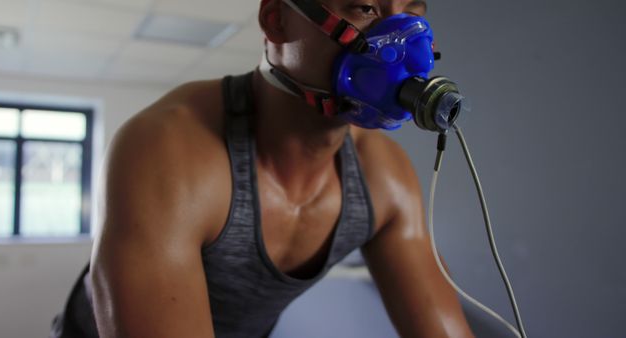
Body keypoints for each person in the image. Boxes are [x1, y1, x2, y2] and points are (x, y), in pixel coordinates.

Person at [50, 0, 475, 337]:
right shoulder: (166, 150)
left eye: (414, 11)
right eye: (364, 8)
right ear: (277, 21)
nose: (402, 39)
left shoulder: (384, 178)